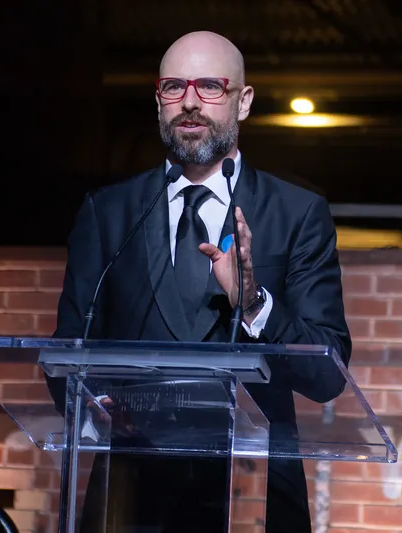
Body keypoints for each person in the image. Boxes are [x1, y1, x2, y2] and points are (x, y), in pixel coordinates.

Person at [50, 30, 352, 533]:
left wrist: (254, 303)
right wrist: (93, 406)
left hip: (254, 500)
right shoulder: (108, 213)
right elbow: (66, 353)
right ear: (158, 100)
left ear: (244, 101)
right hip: (132, 497)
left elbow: (328, 375)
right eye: (174, 87)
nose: (189, 102)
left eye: (210, 86)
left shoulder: (297, 214)